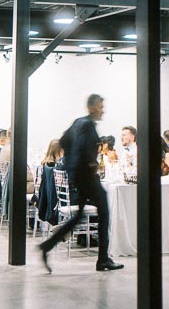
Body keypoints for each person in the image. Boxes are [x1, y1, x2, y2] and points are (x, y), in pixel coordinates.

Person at [39, 95, 123, 274]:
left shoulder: (79, 122)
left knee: (78, 217)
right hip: (86, 177)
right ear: (92, 107)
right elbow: (81, 149)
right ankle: (103, 259)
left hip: (78, 176)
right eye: (101, 107)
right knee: (104, 212)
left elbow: (63, 142)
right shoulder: (87, 125)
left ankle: (47, 246)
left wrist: (72, 166)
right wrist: (90, 166)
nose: (103, 110)